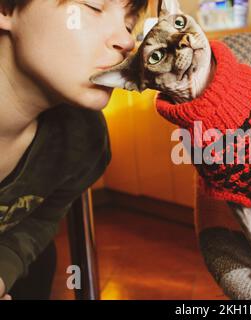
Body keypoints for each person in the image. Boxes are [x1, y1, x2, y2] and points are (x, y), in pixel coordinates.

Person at [0, 0, 148, 300]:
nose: (127, 40)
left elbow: (36, 222)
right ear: (6, 9)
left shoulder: (85, 141)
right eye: (94, 6)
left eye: (130, 23)